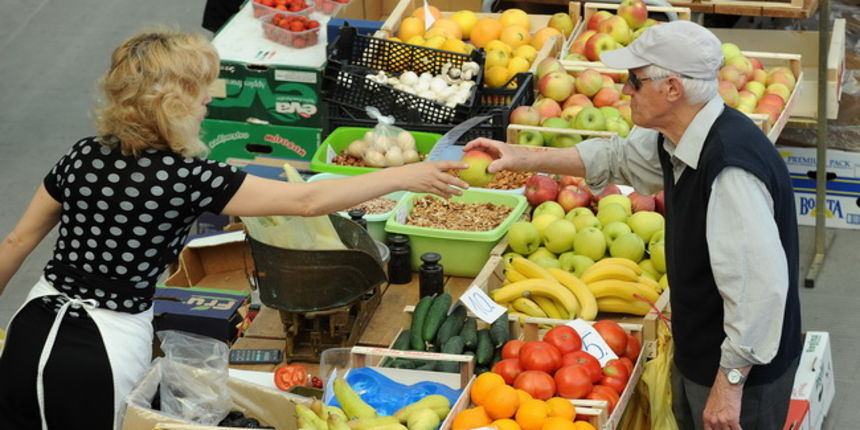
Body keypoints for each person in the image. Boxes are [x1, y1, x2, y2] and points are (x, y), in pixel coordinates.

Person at [0, 29, 468, 430]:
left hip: (30, 326)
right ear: (175, 102)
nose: (211, 97)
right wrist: (406, 174)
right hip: (105, 348)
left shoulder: (83, 155)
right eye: (202, 89)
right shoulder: (189, 177)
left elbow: (16, 242)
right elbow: (306, 200)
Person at [466, 21, 801, 430]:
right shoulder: (680, 136)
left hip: (741, 377)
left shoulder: (731, 171)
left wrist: (729, 385)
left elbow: (760, 293)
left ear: (672, 88)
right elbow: (615, 157)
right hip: (702, 352)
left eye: (635, 81)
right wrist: (518, 158)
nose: (626, 91)